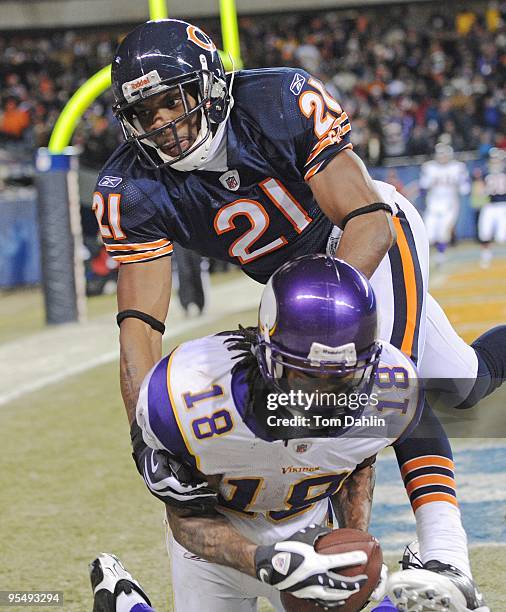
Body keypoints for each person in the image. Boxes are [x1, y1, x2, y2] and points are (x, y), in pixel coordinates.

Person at [93, 19, 504, 437]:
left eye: (173, 102)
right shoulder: (133, 188)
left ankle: (438, 507)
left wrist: (327, 318)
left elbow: (368, 220)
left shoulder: (276, 102)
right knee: (465, 381)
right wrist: (145, 436)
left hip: (361, 241)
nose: (162, 124)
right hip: (291, 286)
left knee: (381, 396)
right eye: (144, 113)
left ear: (208, 87)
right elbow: (140, 327)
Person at [91, 255, 488, 612]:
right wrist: (265, 560)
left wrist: (352, 546)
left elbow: (359, 461)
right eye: (307, 376)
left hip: (308, 527)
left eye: (342, 379)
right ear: (265, 356)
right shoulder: (191, 398)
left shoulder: (388, 390)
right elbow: (185, 521)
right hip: (218, 537)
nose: (324, 397)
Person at [419, 143, 471, 266]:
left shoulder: (458, 167)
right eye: (440, 154)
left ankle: (440, 256)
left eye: (445, 154)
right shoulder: (429, 167)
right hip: (433, 204)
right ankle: (426, 258)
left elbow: (465, 188)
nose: (442, 157)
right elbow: (423, 186)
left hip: (450, 204)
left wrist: (462, 181)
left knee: (443, 233)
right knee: (428, 234)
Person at [478, 148, 506, 268]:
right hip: (489, 205)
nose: (495, 161)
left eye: (497, 159)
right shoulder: (484, 172)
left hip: (503, 205)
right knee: (484, 232)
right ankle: (486, 255)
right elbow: (479, 190)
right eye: (493, 159)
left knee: (501, 237)